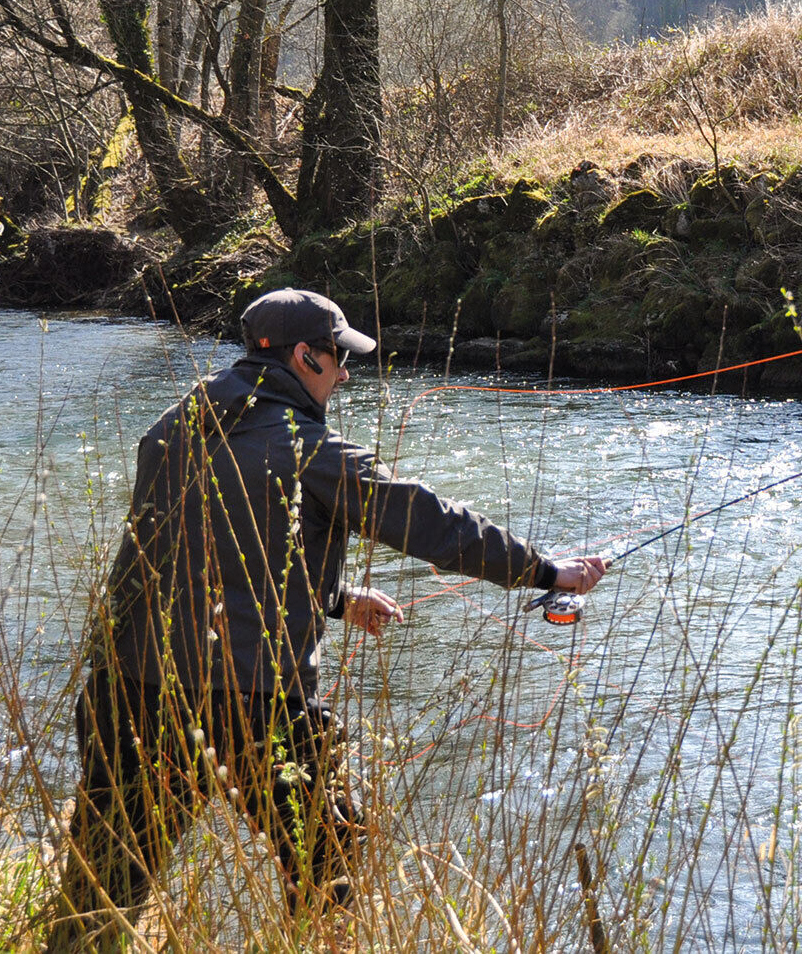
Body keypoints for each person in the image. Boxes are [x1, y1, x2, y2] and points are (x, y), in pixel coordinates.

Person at [45, 288, 607, 951]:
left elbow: (202, 555)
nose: (344, 373)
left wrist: (334, 597)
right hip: (252, 705)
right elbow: (430, 521)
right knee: (331, 863)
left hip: (127, 692)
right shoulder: (313, 450)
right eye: (338, 357)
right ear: (303, 355)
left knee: (100, 891)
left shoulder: (172, 426)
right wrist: (547, 571)